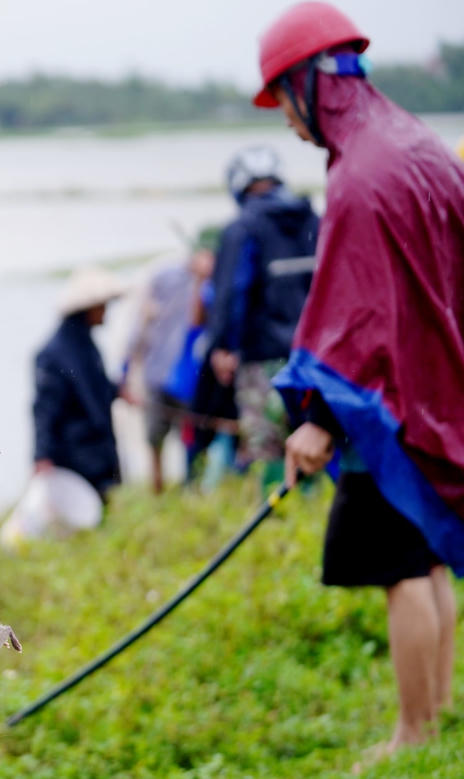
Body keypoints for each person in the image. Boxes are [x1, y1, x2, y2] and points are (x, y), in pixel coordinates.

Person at [252, 2, 464, 761]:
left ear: (310, 85)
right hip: (435, 391)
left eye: (283, 101)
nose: (288, 124)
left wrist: (315, 417)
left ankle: (413, 733)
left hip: (387, 407)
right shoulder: (421, 145)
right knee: (429, 555)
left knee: (400, 569)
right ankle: (434, 718)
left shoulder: (360, 176)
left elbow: (356, 316)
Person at [204, 144, 320, 486]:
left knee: (265, 445)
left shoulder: (242, 228)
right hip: (314, 357)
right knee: (311, 435)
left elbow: (230, 292)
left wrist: (223, 345)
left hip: (262, 358)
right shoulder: (314, 220)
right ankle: (312, 512)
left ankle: (277, 519)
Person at [124, 232, 216, 492]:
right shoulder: (163, 277)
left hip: (189, 379)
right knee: (154, 437)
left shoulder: (210, 286)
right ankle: (157, 489)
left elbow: (199, 321)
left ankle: (191, 488)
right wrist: (126, 371)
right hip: (157, 373)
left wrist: (201, 281)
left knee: (190, 437)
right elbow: (139, 326)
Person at [32, 267, 129, 503]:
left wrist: (118, 391)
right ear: (88, 308)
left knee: (103, 505)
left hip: (96, 448)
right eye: (102, 306)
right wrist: (42, 455)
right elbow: (44, 409)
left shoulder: (84, 342)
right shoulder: (54, 353)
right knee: (84, 509)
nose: (105, 312)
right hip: (76, 453)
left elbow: (96, 387)